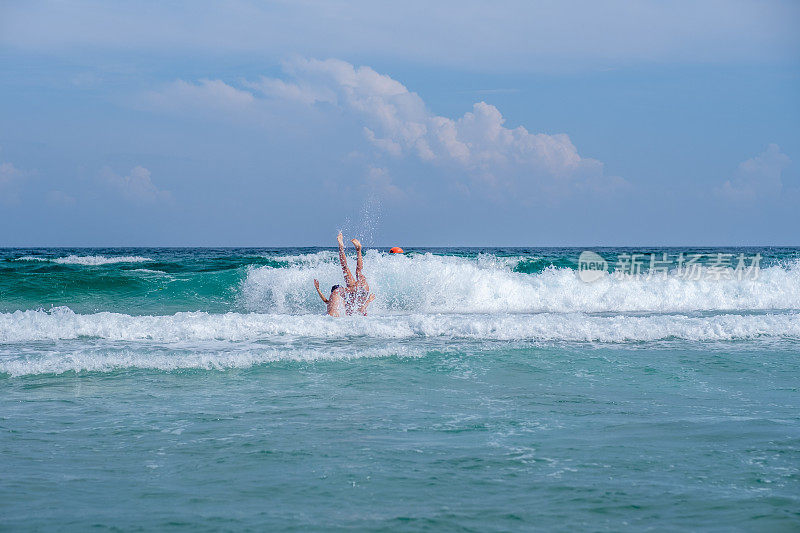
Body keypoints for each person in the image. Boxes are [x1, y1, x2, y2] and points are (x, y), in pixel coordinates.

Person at [337, 232, 374, 315]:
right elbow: (361, 309)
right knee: (345, 268)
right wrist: (369, 300)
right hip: (355, 292)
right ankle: (341, 248)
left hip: (359, 291)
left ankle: (358, 250)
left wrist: (369, 300)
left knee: (358, 272)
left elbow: (362, 309)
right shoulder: (352, 314)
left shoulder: (354, 314)